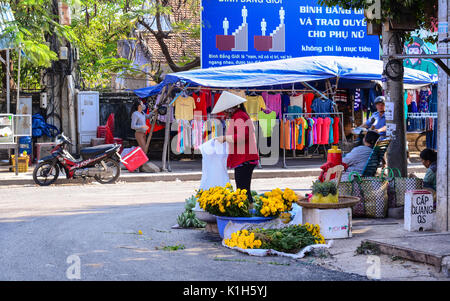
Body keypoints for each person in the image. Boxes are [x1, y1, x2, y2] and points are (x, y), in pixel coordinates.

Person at [214, 91, 260, 203]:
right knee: (244, 190)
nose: (224, 113)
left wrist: (224, 138)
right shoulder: (239, 115)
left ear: (231, 108)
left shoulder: (239, 116)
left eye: (225, 110)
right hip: (244, 158)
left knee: (243, 191)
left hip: (245, 159)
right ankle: (248, 213)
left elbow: (241, 137)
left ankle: (247, 215)